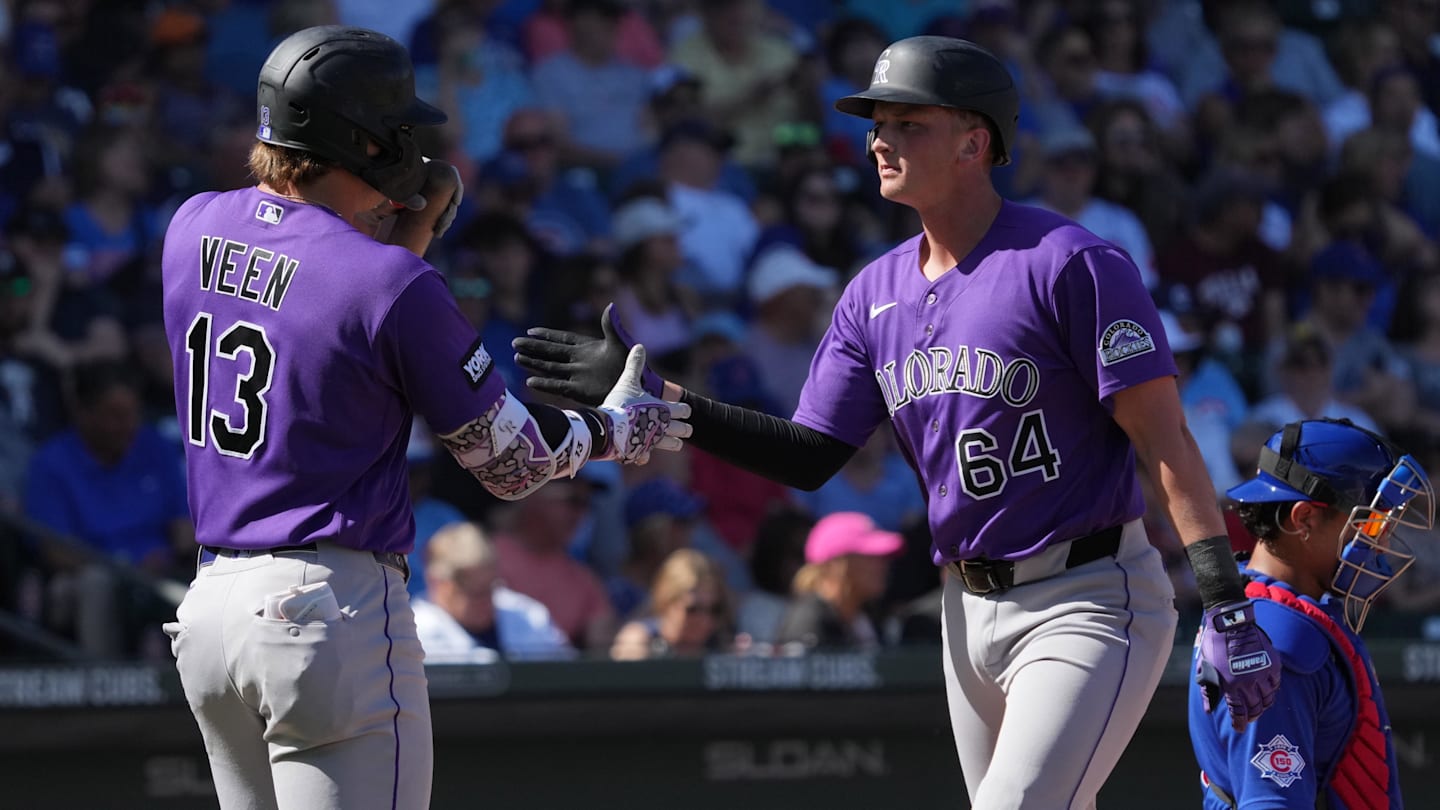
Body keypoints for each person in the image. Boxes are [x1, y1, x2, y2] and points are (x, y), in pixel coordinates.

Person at [516, 35, 1280, 809]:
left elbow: (1165, 439)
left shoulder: (1070, 262)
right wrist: (669, 401)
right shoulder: (871, 294)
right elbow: (812, 453)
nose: (881, 139)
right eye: (878, 122)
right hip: (964, 607)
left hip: (1085, 592)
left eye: (909, 122)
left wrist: (1223, 597)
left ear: (974, 142)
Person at [158, 26, 686, 810]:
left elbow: (324, 308)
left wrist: (408, 241)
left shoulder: (192, 225)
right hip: (324, 607)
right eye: (397, 128)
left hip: (210, 613)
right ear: (359, 138)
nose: (413, 144)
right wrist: (619, 427)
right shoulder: (389, 283)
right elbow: (512, 467)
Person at [1190, 418, 1433, 809]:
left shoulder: (1264, 612)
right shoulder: (1277, 640)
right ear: (1303, 519)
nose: (1382, 542)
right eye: (1370, 523)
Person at [411, 521, 574, 662]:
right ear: (438, 584)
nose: (486, 600)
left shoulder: (529, 615)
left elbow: (567, 671)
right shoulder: (413, 632)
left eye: (491, 588)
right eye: (475, 592)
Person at [774, 511, 901, 652]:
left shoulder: (870, 617)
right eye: (872, 557)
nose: (884, 567)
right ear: (838, 564)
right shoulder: (808, 621)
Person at [609, 547, 731, 660]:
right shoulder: (641, 641)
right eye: (693, 609)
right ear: (667, 603)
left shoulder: (720, 645)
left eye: (715, 610)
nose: (704, 620)